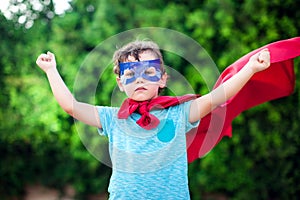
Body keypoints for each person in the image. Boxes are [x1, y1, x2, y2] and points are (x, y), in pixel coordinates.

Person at [36, 40, 270, 199]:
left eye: (148, 72)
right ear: (120, 83)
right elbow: (71, 107)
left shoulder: (179, 113)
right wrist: (51, 71)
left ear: (162, 79)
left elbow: (217, 98)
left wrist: (249, 68)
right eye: (130, 74)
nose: (139, 79)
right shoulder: (112, 118)